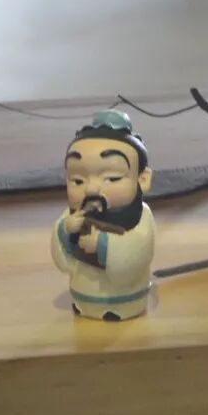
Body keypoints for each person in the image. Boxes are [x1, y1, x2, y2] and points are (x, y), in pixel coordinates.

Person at [52, 110, 155, 321]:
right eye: (78, 180)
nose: (91, 189)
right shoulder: (72, 215)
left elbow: (138, 250)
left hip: (126, 296)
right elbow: (62, 261)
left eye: (112, 178)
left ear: (142, 179)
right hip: (82, 292)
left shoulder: (141, 218)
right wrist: (65, 231)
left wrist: (101, 246)